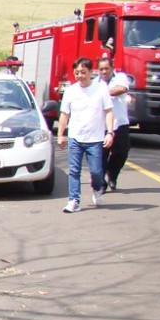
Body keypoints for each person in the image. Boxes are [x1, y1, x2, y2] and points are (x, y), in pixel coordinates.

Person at [56, 57, 114, 213]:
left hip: (95, 139)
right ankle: (74, 200)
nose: (80, 76)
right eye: (77, 73)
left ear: (90, 72)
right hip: (75, 137)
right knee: (74, 171)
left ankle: (97, 189)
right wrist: (60, 135)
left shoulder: (101, 89)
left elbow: (108, 111)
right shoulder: (70, 91)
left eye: (83, 72)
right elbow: (64, 114)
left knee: (96, 172)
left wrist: (110, 132)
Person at [96, 55, 130, 191]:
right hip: (102, 126)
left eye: (107, 69)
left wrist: (103, 93)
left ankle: (112, 174)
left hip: (120, 123)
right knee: (101, 156)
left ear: (112, 68)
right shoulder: (94, 84)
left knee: (121, 153)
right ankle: (101, 183)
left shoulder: (120, 78)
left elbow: (121, 89)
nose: (104, 72)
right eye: (101, 69)